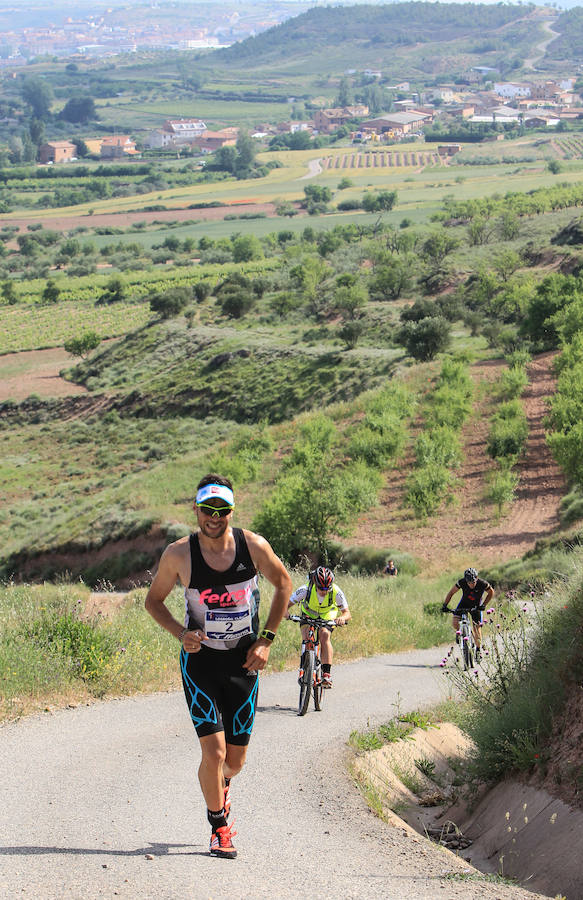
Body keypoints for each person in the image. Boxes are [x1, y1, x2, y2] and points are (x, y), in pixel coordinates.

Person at [145, 473, 292, 860]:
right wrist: (181, 633)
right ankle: (219, 828)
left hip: (244, 661)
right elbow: (153, 601)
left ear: (230, 510)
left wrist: (267, 640)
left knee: (235, 762)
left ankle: (222, 784)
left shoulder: (253, 547)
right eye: (207, 509)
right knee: (213, 751)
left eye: (221, 509)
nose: (214, 516)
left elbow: (284, 585)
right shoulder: (179, 554)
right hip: (201, 663)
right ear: (195, 509)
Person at [286, 566, 350, 688]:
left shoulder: (336, 591)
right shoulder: (305, 589)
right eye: (321, 588)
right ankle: (304, 667)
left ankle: (326, 674)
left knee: (324, 635)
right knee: (306, 636)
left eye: (327, 588)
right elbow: (286, 604)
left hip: (327, 616)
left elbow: (347, 613)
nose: (324, 591)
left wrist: (342, 618)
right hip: (308, 614)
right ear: (315, 583)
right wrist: (285, 612)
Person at [442, 567, 494, 662]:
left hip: (476, 606)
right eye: (469, 582)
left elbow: (491, 592)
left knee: (477, 630)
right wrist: (445, 605)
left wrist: (484, 605)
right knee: (455, 622)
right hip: (464, 603)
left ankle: (478, 651)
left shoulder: (483, 584)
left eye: (473, 582)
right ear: (466, 581)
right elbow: (451, 592)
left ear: (477, 578)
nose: (471, 585)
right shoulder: (461, 582)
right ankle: (459, 632)